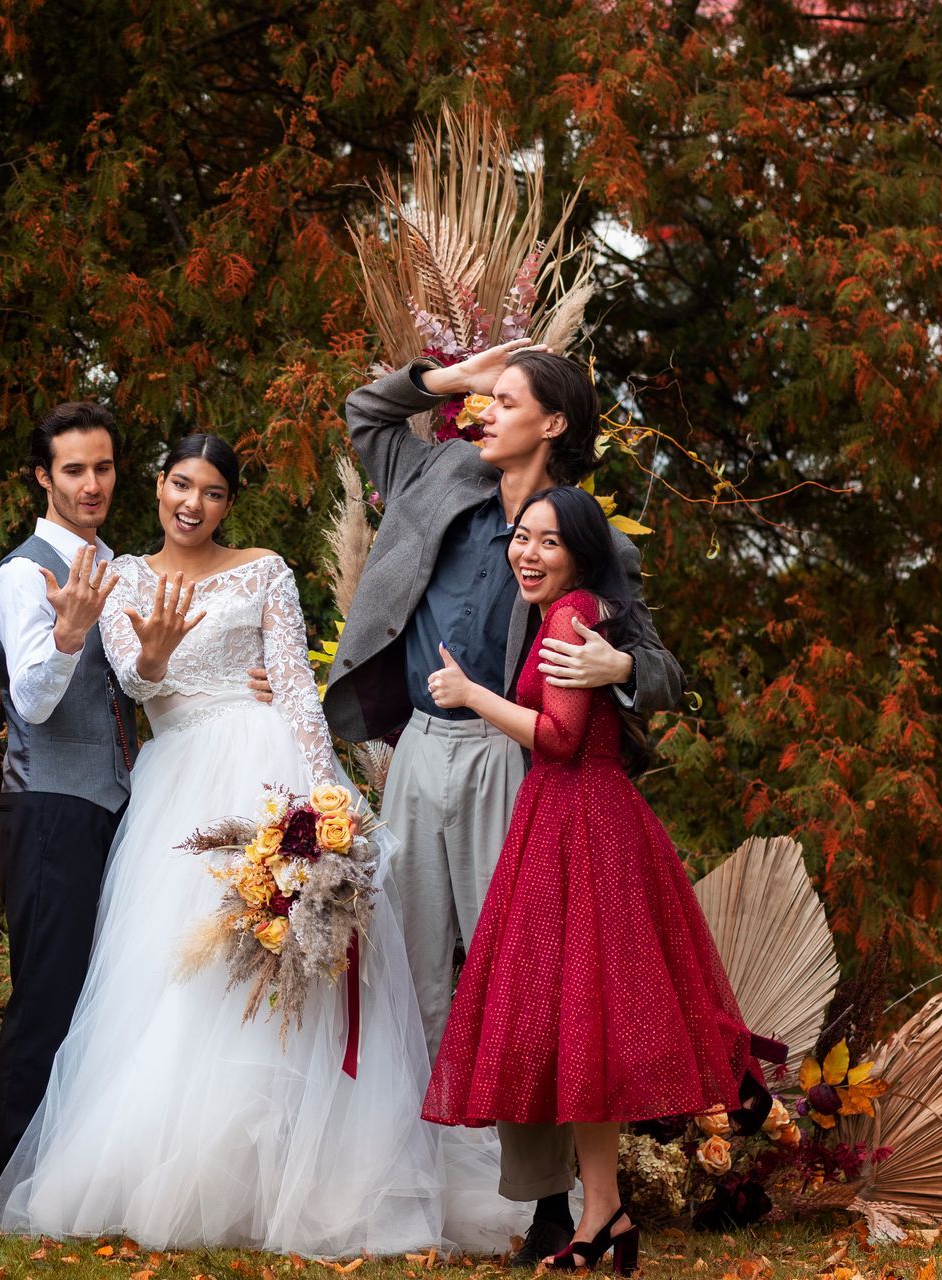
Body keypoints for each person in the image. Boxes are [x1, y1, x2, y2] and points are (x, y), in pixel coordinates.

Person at [0, 434, 530, 1256]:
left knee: (287, 967)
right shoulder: (125, 572)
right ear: (159, 488)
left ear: (227, 503)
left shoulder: (266, 568)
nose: (190, 503)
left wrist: (330, 805)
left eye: (209, 491)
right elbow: (134, 680)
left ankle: (293, 1173)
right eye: (177, 484)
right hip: (177, 792)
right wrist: (157, 653)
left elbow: (300, 695)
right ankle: (176, 1168)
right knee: (177, 975)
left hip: (265, 769)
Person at [324, 341, 684, 1263]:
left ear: (554, 425)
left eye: (508, 400)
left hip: (514, 761)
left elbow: (666, 668)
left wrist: (623, 669)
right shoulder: (437, 469)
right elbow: (367, 410)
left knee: (526, 985)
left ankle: (552, 1202)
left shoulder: (581, 534)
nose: (485, 413)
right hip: (415, 751)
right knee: (405, 972)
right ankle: (399, 1180)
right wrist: (454, 380)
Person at [420, 485, 760, 1275]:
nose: (526, 553)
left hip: (581, 820)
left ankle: (737, 1113)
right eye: (520, 538)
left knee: (587, 1015)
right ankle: (602, 1211)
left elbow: (561, 738)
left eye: (547, 542)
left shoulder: (571, 614)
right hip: (570, 817)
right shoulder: (565, 611)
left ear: (577, 552)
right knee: (583, 1028)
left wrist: (473, 697)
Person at [0, 403, 273, 1191]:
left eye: (102, 468)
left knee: (98, 993)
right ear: (44, 476)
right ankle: (13, 1174)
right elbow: (34, 705)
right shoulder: (24, 573)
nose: (90, 483)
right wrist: (69, 634)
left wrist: (251, 680)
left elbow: (159, 675)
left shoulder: (130, 567)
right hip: (49, 801)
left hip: (124, 803)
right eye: (72, 470)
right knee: (45, 990)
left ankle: (73, 1163)